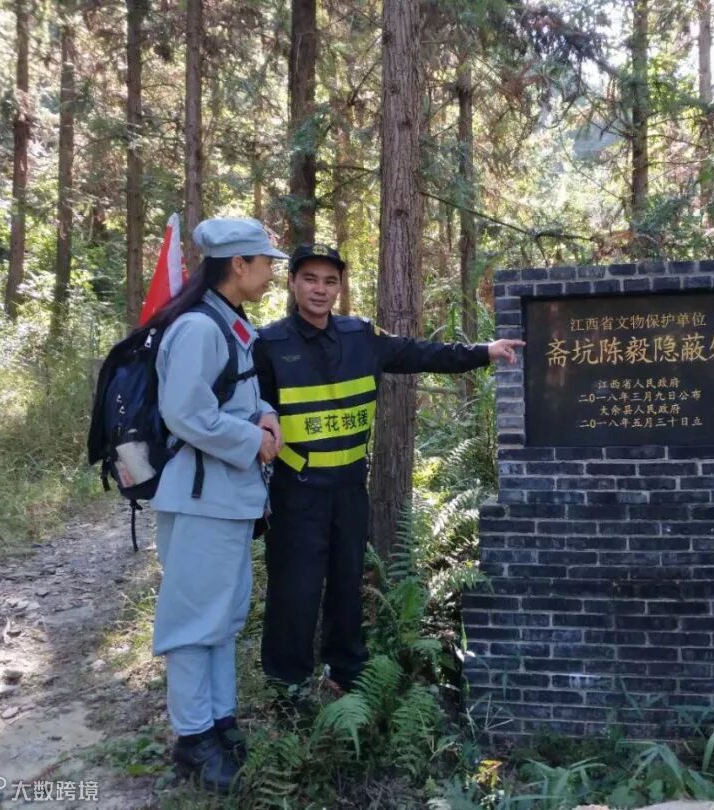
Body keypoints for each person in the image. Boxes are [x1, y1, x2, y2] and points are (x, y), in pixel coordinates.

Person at [254, 244, 522, 706]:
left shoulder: (361, 335)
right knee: (295, 587)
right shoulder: (268, 344)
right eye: (310, 279)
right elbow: (248, 404)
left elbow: (420, 353)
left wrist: (483, 351)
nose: (320, 289)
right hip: (296, 489)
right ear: (293, 283)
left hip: (349, 488)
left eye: (330, 281)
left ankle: (348, 669)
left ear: (340, 287)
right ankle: (288, 684)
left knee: (346, 581)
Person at [147, 217, 287, 792]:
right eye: (266, 262)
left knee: (224, 617)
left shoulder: (229, 323)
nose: (271, 272)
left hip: (227, 498)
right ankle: (193, 739)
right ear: (238, 264)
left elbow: (236, 395)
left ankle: (220, 721)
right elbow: (186, 412)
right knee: (192, 623)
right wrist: (253, 439)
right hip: (201, 499)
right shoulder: (199, 328)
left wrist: (265, 417)